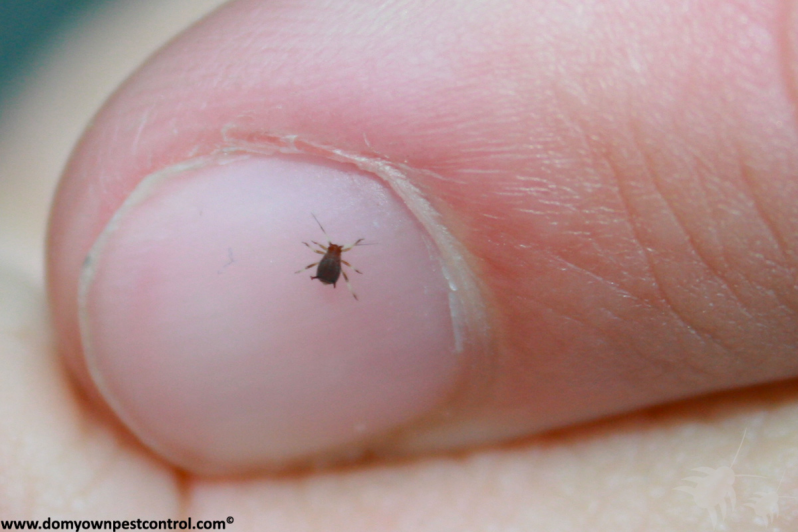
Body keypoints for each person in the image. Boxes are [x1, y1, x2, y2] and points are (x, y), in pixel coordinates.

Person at [2, 0, 797, 527]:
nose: (332, 253)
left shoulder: (330, 254)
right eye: (333, 250)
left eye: (333, 251)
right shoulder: (332, 255)